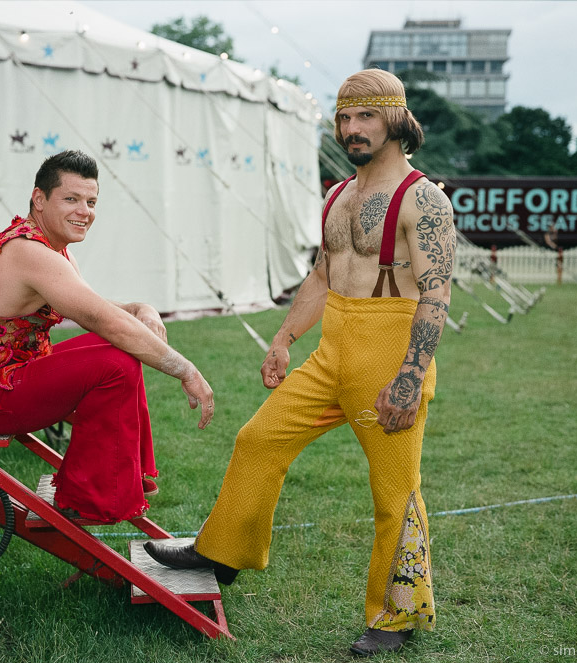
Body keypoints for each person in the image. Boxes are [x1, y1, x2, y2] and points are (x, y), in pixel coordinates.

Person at [144, 69, 455, 656]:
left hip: (388, 356)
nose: (351, 129)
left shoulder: (425, 200)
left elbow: (436, 295)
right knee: (259, 439)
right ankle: (222, 553)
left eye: (365, 116)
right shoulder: (338, 196)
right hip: (331, 348)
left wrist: (410, 378)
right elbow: (321, 275)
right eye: (343, 117)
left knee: (395, 492)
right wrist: (285, 337)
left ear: (395, 119)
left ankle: (396, 616)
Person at [0, 150, 214, 524]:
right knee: (116, 360)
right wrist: (186, 370)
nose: (84, 211)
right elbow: (105, 321)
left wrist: (141, 307)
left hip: (6, 382)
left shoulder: (48, 247)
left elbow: (95, 305)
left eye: (91, 202)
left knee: (116, 350)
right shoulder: (32, 253)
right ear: (39, 199)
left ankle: (125, 473)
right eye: (71, 199)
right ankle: (86, 499)